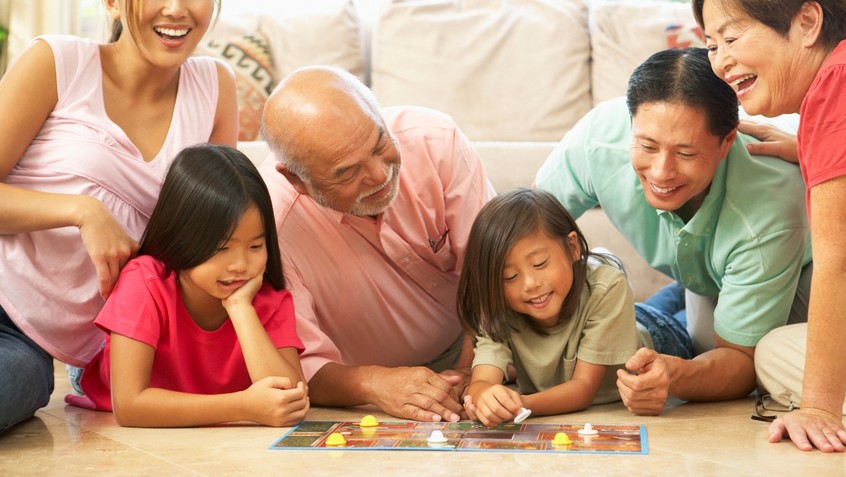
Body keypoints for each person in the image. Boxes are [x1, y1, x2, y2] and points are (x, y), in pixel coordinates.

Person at [0, 0, 238, 433]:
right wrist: (83, 211)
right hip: (4, 297)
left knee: (15, 385)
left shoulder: (214, 87)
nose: (176, 9)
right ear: (112, 3)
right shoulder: (58, 62)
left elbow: (219, 236)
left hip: (64, 346)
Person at [534, 47, 812, 416]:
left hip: (793, 277)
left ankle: (677, 304)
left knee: (705, 350)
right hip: (708, 274)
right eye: (647, 146)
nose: (662, 173)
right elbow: (520, 233)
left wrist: (675, 376)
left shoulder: (768, 214)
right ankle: (678, 297)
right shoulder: (599, 139)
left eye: (685, 153)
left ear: (727, 141)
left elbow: (741, 364)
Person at [695, 0, 846, 452]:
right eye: (711, 45)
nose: (720, 61)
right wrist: (814, 148)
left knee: (772, 353)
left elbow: (843, 258)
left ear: (807, 22)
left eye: (731, 38)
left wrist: (817, 408)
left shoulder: (844, 83)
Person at [258, 66, 496, 423]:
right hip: (362, 390)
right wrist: (370, 383)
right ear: (297, 180)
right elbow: (295, 367)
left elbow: (495, 271)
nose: (378, 175)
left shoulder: (436, 140)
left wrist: (473, 370)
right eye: (348, 172)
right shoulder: (270, 225)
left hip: (479, 345)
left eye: (379, 144)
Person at [64, 145, 308, 427]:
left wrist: (240, 309)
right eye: (221, 248)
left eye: (255, 246)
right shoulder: (144, 282)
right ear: (182, 238)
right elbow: (130, 406)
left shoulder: (269, 299)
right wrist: (242, 406)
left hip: (195, 389)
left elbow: (288, 399)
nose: (240, 264)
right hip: (112, 385)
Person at [458, 188, 690, 427]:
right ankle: (679, 290)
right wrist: (483, 397)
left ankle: (686, 288)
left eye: (540, 263)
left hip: (657, 335)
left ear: (572, 247)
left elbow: (583, 389)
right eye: (509, 276)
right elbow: (482, 382)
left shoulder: (607, 287)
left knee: (689, 319)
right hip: (615, 319)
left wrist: (517, 404)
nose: (530, 284)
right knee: (655, 304)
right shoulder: (499, 307)